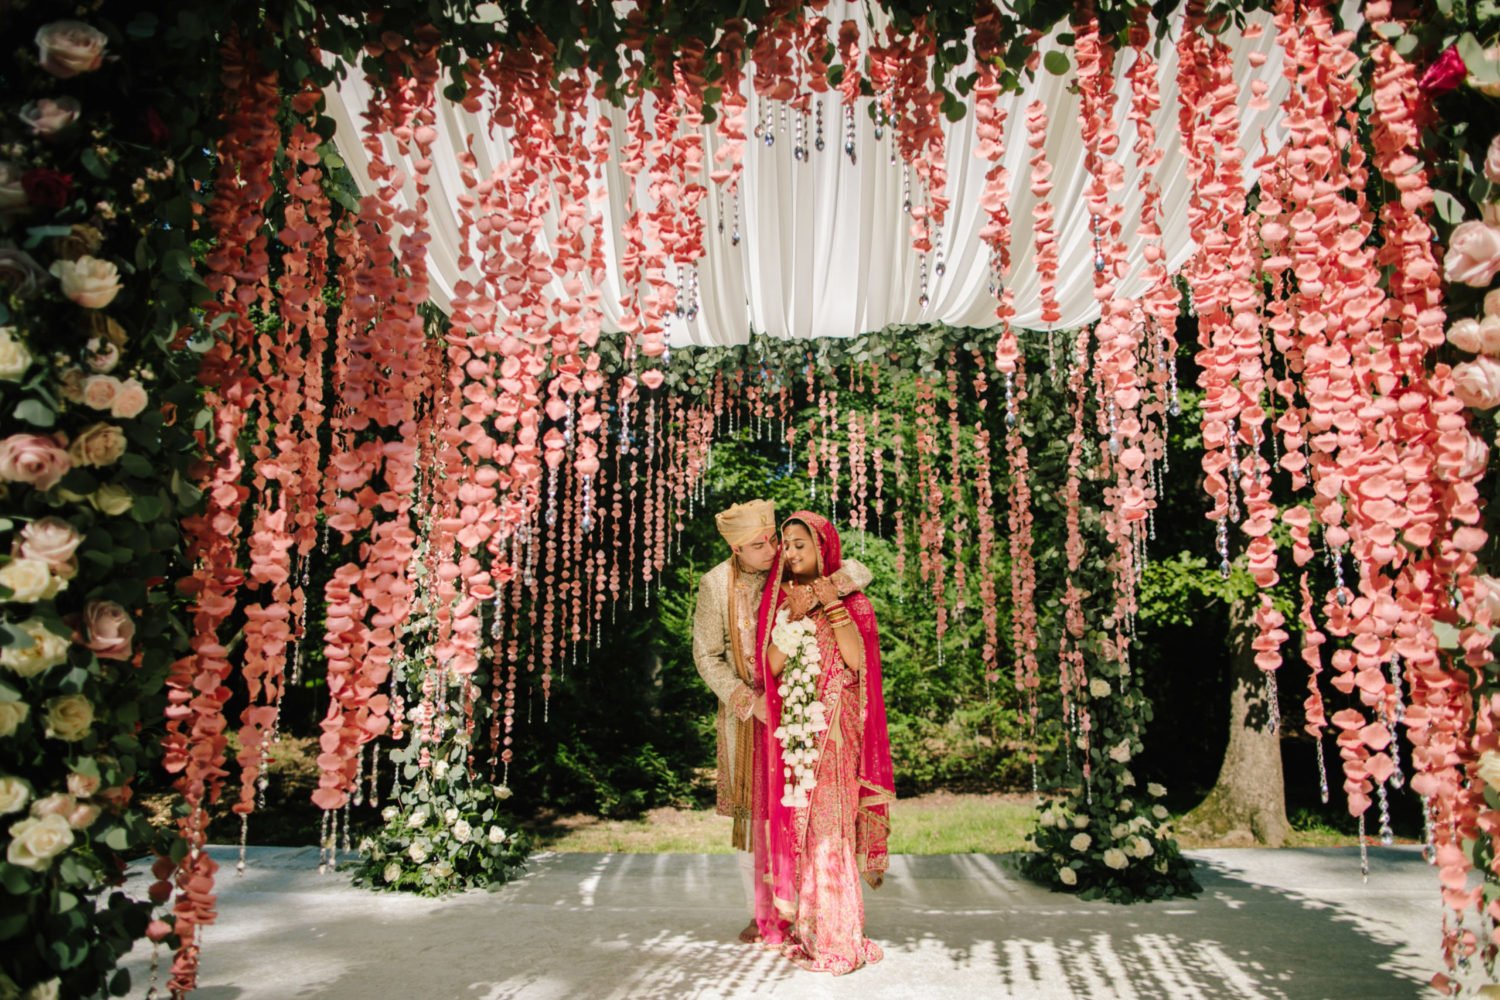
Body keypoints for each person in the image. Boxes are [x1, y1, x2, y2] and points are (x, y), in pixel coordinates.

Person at [692, 500, 870, 945]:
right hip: (749, 714)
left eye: (773, 538)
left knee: (802, 810)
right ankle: (765, 913)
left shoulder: (789, 568)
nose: (772, 550)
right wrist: (748, 702)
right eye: (758, 545)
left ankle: (810, 907)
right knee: (758, 816)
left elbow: (858, 571)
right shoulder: (716, 585)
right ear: (736, 549)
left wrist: (826, 590)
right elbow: (705, 656)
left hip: (804, 709)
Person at [754, 511, 893, 975]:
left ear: (822, 548)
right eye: (786, 545)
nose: (791, 554)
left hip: (834, 731)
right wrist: (791, 617)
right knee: (807, 832)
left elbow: (858, 663)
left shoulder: (854, 600)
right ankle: (813, 930)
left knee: (832, 830)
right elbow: (769, 669)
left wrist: (830, 605)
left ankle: (840, 937)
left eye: (801, 545)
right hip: (797, 735)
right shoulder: (783, 601)